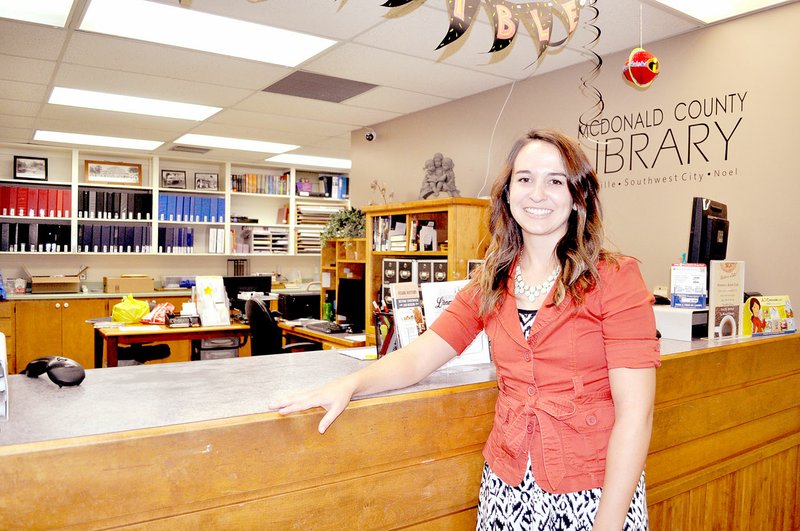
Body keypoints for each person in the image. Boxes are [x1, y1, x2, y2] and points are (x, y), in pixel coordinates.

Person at [270, 128, 660, 530]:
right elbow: (421, 355)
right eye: (524, 179)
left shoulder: (614, 278)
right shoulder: (491, 281)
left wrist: (610, 521)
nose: (537, 193)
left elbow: (636, 412)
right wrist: (349, 385)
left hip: (593, 491)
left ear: (578, 196)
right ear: (508, 193)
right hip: (508, 489)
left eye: (555, 181)